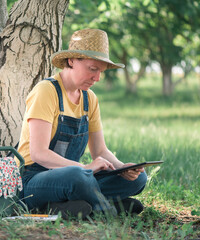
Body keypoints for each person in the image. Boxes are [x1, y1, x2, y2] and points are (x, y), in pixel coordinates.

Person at [17, 29, 147, 219]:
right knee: (78, 178)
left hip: (75, 175)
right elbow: (39, 153)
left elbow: (100, 151)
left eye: (101, 71)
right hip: (33, 179)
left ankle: (68, 207)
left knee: (138, 180)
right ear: (71, 61)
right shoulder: (46, 91)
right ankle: (107, 210)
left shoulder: (90, 99)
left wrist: (122, 168)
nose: (97, 78)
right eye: (92, 69)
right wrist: (84, 168)